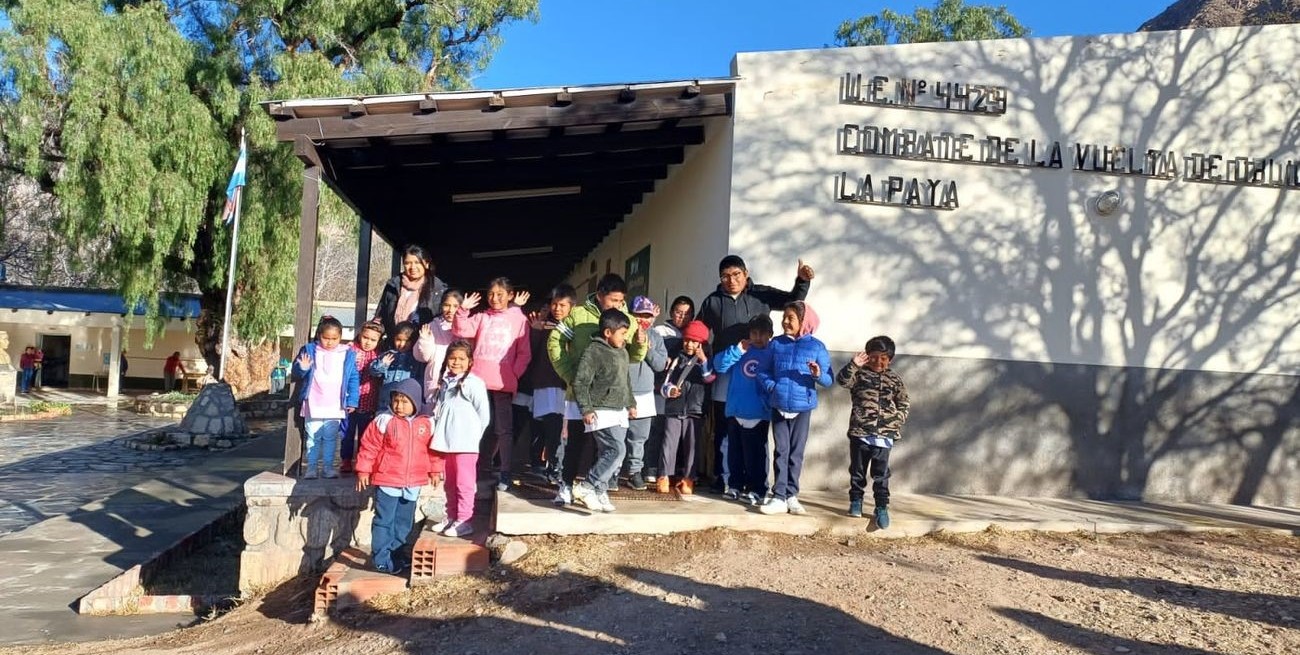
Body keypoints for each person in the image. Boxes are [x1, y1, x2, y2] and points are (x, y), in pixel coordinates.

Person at [698, 255, 814, 493]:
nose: (731, 280)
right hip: (727, 369)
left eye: (736, 274)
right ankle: (725, 481)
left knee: (755, 432)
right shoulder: (712, 301)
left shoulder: (760, 294)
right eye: (726, 276)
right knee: (724, 430)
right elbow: (700, 330)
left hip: (756, 372)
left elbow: (792, 300)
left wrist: (802, 281)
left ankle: (756, 485)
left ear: (746, 273)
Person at [546, 274, 647, 505]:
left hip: (609, 397)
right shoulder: (578, 316)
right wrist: (569, 374)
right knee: (574, 444)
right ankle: (566, 486)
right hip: (579, 394)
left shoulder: (627, 320)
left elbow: (632, 356)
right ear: (599, 295)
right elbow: (555, 341)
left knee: (607, 446)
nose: (618, 305)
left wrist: (641, 343)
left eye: (621, 301)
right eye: (613, 300)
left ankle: (595, 489)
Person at [354, 378, 442, 573]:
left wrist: (435, 470)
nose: (399, 406)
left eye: (404, 401)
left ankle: (396, 554)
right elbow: (369, 447)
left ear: (415, 403)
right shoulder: (384, 421)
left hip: (413, 482)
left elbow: (433, 450)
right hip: (388, 480)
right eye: (396, 401)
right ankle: (381, 558)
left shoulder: (426, 423)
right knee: (384, 520)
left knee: (404, 522)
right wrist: (363, 470)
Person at [453, 278, 531, 491]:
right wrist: (463, 310)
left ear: (510, 296)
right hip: (478, 380)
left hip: (503, 382)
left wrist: (512, 374)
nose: (494, 298)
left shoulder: (519, 319)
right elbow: (461, 331)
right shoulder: (481, 317)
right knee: (478, 426)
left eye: (499, 294)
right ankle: (478, 468)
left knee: (503, 429)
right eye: (491, 294)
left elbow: (524, 353)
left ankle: (505, 472)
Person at [757, 301, 831, 515]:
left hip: (803, 408)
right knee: (781, 450)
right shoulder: (776, 344)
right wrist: (773, 387)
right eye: (784, 317)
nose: (785, 322)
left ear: (804, 321)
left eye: (791, 318)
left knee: (796, 453)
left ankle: (791, 495)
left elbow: (828, 380)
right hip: (779, 405)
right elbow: (762, 372)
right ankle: (778, 496)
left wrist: (817, 374)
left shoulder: (816, 347)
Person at [836, 335, 910, 529]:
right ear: (867, 356)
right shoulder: (859, 374)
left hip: (884, 436)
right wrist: (853, 364)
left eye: (883, 358)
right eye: (874, 357)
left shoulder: (894, 379)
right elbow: (842, 381)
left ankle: (881, 506)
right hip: (861, 432)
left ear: (890, 359)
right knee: (857, 471)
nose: (878, 361)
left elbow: (904, 402)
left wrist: (897, 419)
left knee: (881, 474)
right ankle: (855, 501)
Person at [569, 309, 638, 513]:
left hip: (619, 410)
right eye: (622, 333)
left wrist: (631, 403)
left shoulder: (623, 352)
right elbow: (580, 382)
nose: (625, 338)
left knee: (613, 455)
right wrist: (586, 408)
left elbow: (625, 380)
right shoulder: (593, 351)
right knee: (616, 450)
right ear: (608, 332)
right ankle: (587, 486)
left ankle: (600, 490)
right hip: (600, 410)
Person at [428, 340, 491, 538]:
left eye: (461, 359)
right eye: (452, 358)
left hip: (466, 444)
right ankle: (452, 516)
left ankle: (465, 519)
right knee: (450, 482)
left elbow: (484, 415)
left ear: (470, 361)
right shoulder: (446, 382)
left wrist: (473, 437)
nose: (456, 362)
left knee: (464, 483)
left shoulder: (474, 383)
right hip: (447, 443)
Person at [713, 314, 775, 505]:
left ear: (770, 335)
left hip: (758, 413)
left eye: (763, 334)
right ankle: (735, 485)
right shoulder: (741, 352)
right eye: (754, 333)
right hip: (736, 410)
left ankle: (758, 488)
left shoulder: (773, 354)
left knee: (755, 454)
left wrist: (767, 404)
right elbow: (719, 366)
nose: (758, 337)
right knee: (734, 452)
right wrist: (737, 350)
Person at [292, 316, 361, 479]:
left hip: (335, 404)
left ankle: (329, 467)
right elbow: (297, 372)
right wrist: (302, 368)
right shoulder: (310, 349)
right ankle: (311, 468)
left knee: (330, 438)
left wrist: (352, 400)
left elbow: (353, 378)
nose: (329, 342)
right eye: (326, 338)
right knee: (313, 437)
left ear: (340, 337)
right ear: (319, 335)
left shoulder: (347, 353)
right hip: (314, 402)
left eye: (334, 339)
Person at [657, 320, 716, 495]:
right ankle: (664, 476)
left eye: (694, 341)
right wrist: (670, 390)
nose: (689, 344)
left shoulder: (706, 361)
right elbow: (664, 384)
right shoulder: (676, 360)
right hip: (674, 409)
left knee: (692, 446)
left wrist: (704, 360)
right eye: (687, 340)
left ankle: (689, 478)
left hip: (695, 410)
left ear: (701, 343)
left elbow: (709, 379)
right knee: (669, 444)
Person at [532, 284, 576, 488]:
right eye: (554, 304)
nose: (557, 309)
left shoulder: (576, 328)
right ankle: (553, 467)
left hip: (567, 385)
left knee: (565, 431)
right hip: (547, 384)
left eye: (562, 305)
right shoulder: (542, 326)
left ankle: (562, 469)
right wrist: (534, 331)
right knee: (551, 427)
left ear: (572, 307)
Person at [647, 295, 694, 483]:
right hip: (660, 386)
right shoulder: (660, 330)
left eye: (687, 313)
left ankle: (674, 470)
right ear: (671, 312)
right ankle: (651, 467)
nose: (682, 316)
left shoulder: (693, 334)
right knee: (657, 428)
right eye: (678, 312)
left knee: (676, 434)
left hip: (681, 392)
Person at [624, 296, 668, 490]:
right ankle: (612, 472)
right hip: (620, 390)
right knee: (615, 435)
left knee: (639, 437)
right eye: (639, 315)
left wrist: (647, 347)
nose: (644, 319)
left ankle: (634, 472)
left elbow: (659, 365)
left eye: (648, 315)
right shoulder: (623, 332)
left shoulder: (656, 337)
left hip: (644, 393)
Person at [373, 244, 448, 347]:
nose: (413, 267)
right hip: (395, 343)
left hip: (423, 346)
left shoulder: (438, 289)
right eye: (408, 263)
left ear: (426, 264)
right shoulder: (393, 285)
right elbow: (381, 315)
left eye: (417, 262)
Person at [342, 321, 384, 474]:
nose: (368, 342)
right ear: (360, 335)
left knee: (364, 435)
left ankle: (361, 461)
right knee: (347, 433)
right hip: (349, 402)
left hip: (369, 402)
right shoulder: (350, 351)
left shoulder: (379, 356)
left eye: (373, 340)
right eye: (365, 337)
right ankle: (346, 460)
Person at [414, 289, 462, 405]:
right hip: (436, 379)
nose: (451, 310)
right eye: (447, 305)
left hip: (460, 378)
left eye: (456, 306)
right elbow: (421, 357)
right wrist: (424, 341)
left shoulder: (468, 327)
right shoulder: (432, 326)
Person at [370, 321, 425, 399]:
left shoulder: (416, 358)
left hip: (407, 401)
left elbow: (421, 381)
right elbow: (373, 372)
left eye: (407, 341)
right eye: (398, 340)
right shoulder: (388, 355)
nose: (402, 344)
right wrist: (382, 364)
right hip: (386, 400)